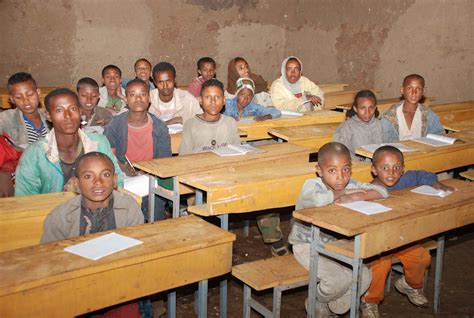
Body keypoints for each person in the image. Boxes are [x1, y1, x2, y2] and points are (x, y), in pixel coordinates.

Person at [41, 151, 147, 318]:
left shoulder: (128, 208)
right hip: (75, 288)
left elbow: (137, 254)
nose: (98, 182)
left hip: (120, 286)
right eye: (88, 176)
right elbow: (49, 262)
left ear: (114, 180)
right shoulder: (61, 217)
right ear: (76, 184)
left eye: (105, 174)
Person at [288, 142, 388, 316]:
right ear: (319, 170)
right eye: (332, 171)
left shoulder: (349, 185)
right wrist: (343, 193)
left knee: (363, 276)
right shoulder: (311, 185)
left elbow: (381, 191)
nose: (341, 178)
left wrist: (355, 195)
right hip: (306, 245)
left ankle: (333, 307)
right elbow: (319, 200)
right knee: (338, 280)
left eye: (346, 170)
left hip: (335, 245)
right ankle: (316, 300)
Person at [360, 145, 455, 318]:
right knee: (381, 265)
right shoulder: (368, 191)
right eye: (384, 168)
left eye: (397, 168)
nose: (391, 173)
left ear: (403, 169)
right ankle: (370, 301)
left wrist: (434, 182)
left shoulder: (405, 179)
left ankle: (410, 285)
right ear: (373, 170)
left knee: (422, 257)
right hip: (378, 243)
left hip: (401, 238)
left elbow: (421, 175)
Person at [15, 88, 123, 196]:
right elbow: (25, 199)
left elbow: (117, 180)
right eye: (59, 110)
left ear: (80, 111)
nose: (68, 116)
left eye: (73, 109)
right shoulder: (35, 154)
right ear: (48, 115)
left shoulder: (98, 143)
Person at [104, 79, 172, 220]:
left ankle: (155, 233)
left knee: (155, 197)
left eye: (143, 94)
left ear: (149, 98)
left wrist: (146, 170)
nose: (138, 99)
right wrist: (123, 167)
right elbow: (107, 156)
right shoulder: (115, 125)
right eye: (133, 95)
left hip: (150, 176)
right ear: (126, 99)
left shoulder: (159, 126)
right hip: (123, 176)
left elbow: (165, 159)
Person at [179, 79, 240, 155]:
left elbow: (237, 153)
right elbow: (184, 158)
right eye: (208, 97)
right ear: (200, 100)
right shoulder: (191, 125)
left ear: (224, 100)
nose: (213, 101)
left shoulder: (230, 123)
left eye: (217, 97)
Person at [381, 74, 444, 142]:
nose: (414, 92)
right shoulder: (389, 116)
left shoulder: (430, 116)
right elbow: (384, 143)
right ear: (402, 90)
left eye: (418, 88)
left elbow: (439, 138)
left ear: (424, 91)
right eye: (409, 88)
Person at [0, 72, 50, 147]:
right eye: (18, 97)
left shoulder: (50, 116)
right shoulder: (6, 119)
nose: (26, 101)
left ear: (38, 93)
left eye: (30, 94)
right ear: (12, 99)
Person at [333, 90, 382, 159]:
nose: (367, 112)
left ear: (375, 108)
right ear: (355, 109)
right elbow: (339, 154)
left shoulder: (378, 124)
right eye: (362, 108)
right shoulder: (346, 128)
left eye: (371, 108)